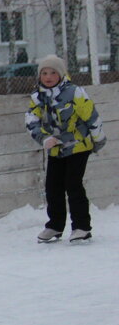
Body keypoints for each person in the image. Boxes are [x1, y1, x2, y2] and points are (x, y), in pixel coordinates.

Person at [25, 54, 106, 244]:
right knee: (52, 187)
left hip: (78, 146)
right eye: (44, 73)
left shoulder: (75, 93)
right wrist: (44, 138)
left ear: (61, 74)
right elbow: (31, 121)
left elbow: (91, 116)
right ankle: (55, 225)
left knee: (73, 184)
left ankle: (81, 227)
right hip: (55, 149)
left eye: (53, 72)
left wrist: (98, 140)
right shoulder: (38, 97)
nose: (48, 76)